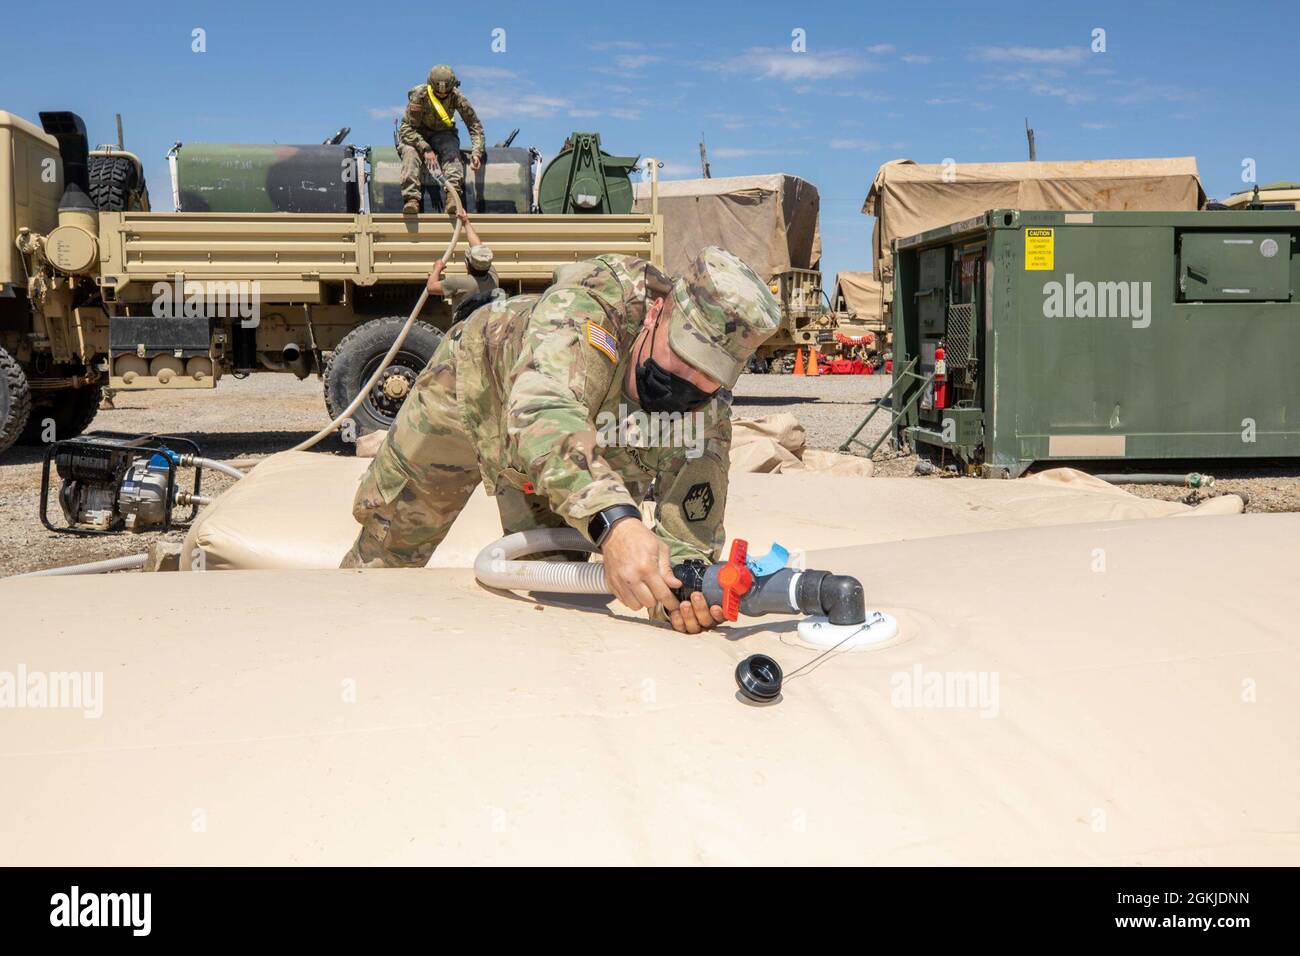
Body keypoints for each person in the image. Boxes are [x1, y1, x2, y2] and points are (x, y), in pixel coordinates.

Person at [340, 247, 782, 634]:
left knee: (556, 592)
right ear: (656, 312)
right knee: (390, 549)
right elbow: (544, 411)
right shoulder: (593, 301)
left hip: (572, 443)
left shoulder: (708, 413)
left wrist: (681, 597)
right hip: (473, 387)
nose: (688, 382)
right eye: (683, 357)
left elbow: (688, 537)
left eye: (709, 374)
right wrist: (617, 524)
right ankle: (346, 649)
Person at [398, 64, 485, 216]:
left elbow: (474, 124)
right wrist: (425, 148)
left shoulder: (457, 97)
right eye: (438, 94)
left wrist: (477, 151)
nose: (442, 96)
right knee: (409, 153)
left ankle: (453, 197)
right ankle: (412, 200)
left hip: (443, 133)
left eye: (446, 94)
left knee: (452, 151)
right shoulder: (419, 95)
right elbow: (406, 129)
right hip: (417, 134)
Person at [426, 209, 500, 323]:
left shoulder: (458, 282)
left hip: (463, 334)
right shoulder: (493, 278)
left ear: (467, 265)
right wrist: (466, 222)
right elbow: (479, 249)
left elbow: (430, 287)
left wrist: (436, 269)